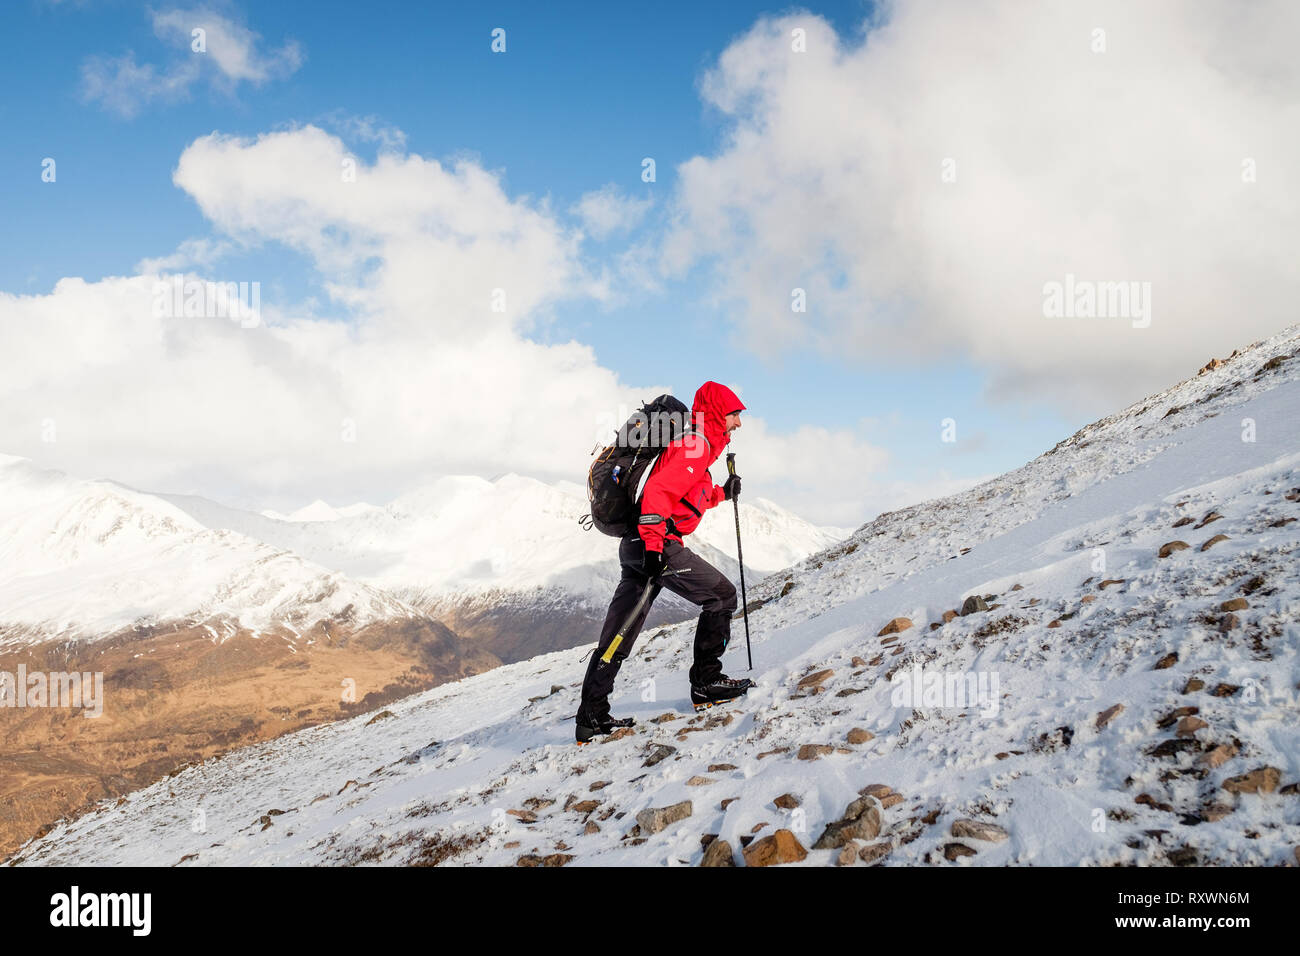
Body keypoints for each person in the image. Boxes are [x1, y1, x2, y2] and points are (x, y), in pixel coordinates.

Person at [576, 381, 754, 744]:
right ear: (720, 413)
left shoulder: (696, 445)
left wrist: (722, 492)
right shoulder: (696, 444)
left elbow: (688, 494)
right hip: (655, 544)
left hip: (638, 544)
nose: (738, 423)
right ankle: (706, 683)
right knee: (721, 596)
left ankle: (591, 716)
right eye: (735, 414)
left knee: (620, 632)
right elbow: (658, 495)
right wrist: (657, 548)